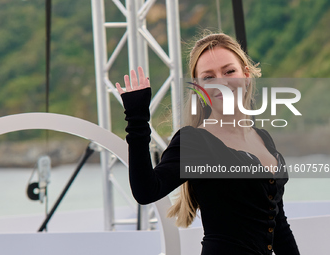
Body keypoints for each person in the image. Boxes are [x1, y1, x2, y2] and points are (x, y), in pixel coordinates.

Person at [115, 33, 300, 255]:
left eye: (229, 71)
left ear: (246, 75)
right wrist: (137, 119)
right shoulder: (195, 141)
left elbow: (279, 227)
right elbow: (146, 191)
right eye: (209, 77)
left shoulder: (263, 138)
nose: (221, 82)